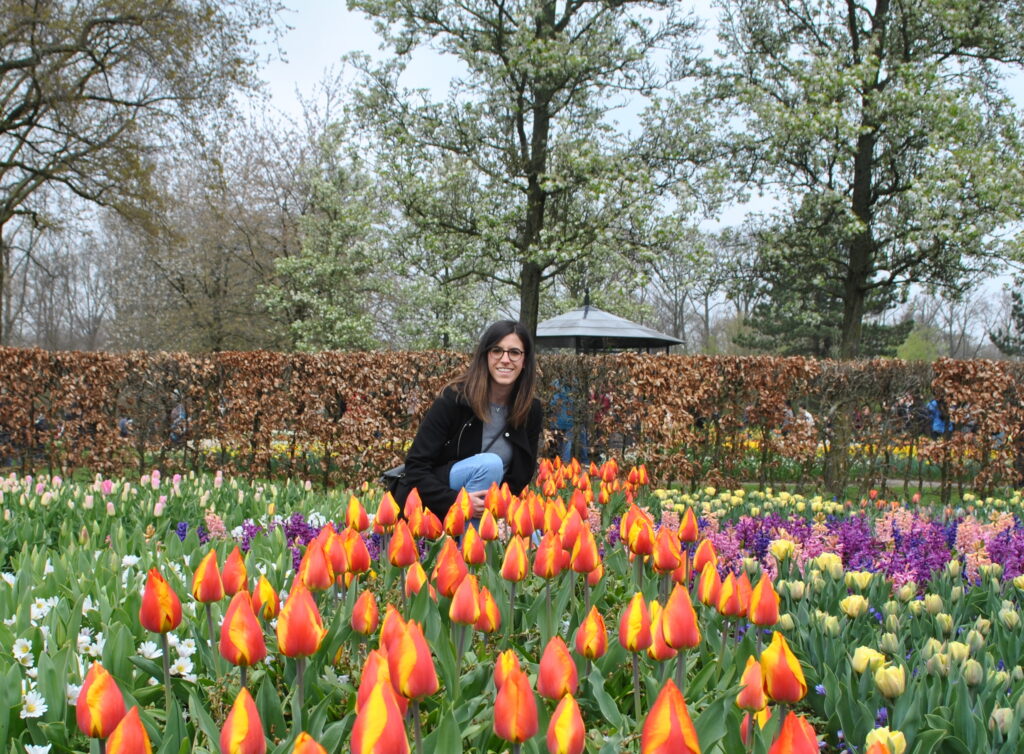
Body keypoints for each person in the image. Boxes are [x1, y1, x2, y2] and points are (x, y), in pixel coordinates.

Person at [394, 320, 544, 519]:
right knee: (489, 465)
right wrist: (457, 502)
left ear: (525, 361)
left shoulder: (530, 410)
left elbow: (520, 476)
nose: (505, 359)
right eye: (497, 351)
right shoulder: (455, 400)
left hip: (488, 505)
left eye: (514, 352)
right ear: (485, 357)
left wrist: (498, 511)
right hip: (439, 500)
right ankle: (468, 548)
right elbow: (416, 467)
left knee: (534, 542)